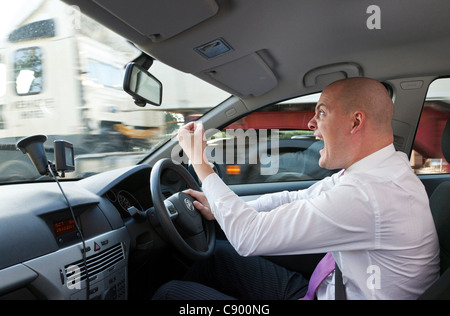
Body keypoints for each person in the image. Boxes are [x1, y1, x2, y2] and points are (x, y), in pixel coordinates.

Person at [153, 77, 440, 300]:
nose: (310, 123)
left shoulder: (370, 194)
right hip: (330, 289)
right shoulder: (380, 171)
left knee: (171, 294)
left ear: (355, 122)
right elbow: (296, 197)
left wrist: (200, 163)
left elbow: (248, 237)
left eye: (322, 113)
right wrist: (219, 208)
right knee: (218, 257)